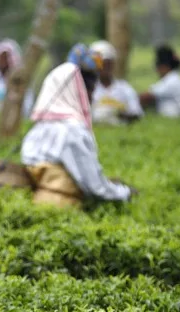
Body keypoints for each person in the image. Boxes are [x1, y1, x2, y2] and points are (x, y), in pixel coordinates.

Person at [21, 45, 132, 208]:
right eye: (90, 91)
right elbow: (96, 188)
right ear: (79, 92)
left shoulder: (35, 132)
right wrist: (123, 192)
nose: (92, 98)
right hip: (63, 211)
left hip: (34, 209)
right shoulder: (73, 132)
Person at [90, 40, 143, 125]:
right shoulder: (89, 90)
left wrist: (117, 113)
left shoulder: (125, 88)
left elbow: (136, 114)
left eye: (108, 63)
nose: (105, 68)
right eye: (102, 64)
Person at [140, 45, 180, 118]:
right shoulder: (172, 78)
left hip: (177, 119)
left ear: (164, 67)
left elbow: (146, 97)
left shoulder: (172, 80)